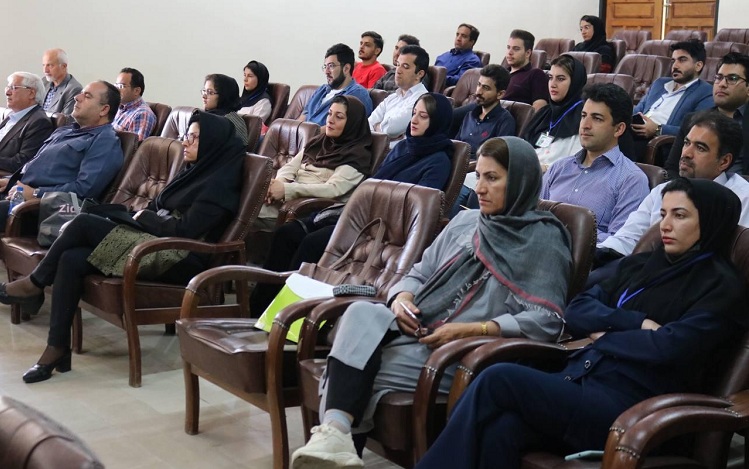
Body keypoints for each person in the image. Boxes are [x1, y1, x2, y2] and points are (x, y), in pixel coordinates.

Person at [414, 177, 748, 469]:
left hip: (635, 409)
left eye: (680, 215)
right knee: (502, 429)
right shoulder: (642, 265)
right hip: (582, 381)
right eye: (663, 214)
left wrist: (603, 334)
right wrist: (636, 322)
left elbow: (670, 347)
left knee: (497, 378)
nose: (665, 225)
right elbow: (577, 309)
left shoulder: (722, 288)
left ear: (710, 221)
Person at [290, 136, 573, 468]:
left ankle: (335, 438)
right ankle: (336, 440)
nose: (480, 188)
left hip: (466, 352)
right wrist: (402, 298)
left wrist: (471, 330)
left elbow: (546, 320)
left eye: (492, 178)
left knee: (352, 366)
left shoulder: (545, 240)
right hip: (420, 329)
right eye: (479, 176)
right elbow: (419, 273)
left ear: (521, 183)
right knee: (360, 312)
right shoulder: (466, 222)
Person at [1, 110, 246, 384]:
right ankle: (56, 348)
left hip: (181, 256)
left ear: (213, 143)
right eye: (186, 135)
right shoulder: (192, 173)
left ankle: (34, 284)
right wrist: (140, 217)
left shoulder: (219, 186)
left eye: (194, 137)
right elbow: (158, 207)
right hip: (155, 243)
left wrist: (144, 218)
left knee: (82, 223)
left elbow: (185, 231)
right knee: (71, 258)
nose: (185, 142)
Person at [250, 93, 455, 314]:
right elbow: (374, 184)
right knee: (288, 233)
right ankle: (259, 308)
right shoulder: (402, 148)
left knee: (311, 243)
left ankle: (286, 313)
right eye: (414, 113)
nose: (414, 120)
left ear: (437, 121)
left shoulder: (439, 161)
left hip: (384, 227)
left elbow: (419, 207)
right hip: (363, 215)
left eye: (423, 116)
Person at [597, 111, 749, 265]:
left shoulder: (743, 198)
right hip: (646, 272)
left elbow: (737, 260)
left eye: (700, 148)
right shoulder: (663, 190)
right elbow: (628, 238)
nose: (686, 153)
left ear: (724, 161)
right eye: (686, 143)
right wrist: (595, 256)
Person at [0, 81, 124, 227]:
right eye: (81, 93)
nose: (77, 97)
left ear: (103, 110)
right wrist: (11, 181)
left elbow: (84, 190)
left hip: (41, 209)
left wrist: (35, 193)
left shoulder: (104, 141)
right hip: (17, 192)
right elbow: (35, 164)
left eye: (87, 96)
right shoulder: (65, 131)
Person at [542, 83, 649, 242]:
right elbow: (531, 214)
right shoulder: (559, 167)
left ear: (618, 129)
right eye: (583, 116)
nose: (585, 125)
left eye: (597, 118)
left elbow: (619, 243)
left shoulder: (631, 179)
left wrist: (570, 232)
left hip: (584, 256)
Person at [255, 95, 372, 231]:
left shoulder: (356, 155)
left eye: (339, 117)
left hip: (306, 209)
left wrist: (287, 189)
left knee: (243, 211)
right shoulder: (319, 142)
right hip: (284, 199)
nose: (330, 120)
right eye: (329, 114)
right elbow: (290, 167)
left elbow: (333, 190)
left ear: (353, 123)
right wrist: (278, 184)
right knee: (242, 201)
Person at [664, 52, 749, 176]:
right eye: (718, 78)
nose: (722, 84)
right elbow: (672, 168)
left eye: (732, 79)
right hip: (689, 185)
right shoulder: (692, 120)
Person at [450, 64, 515, 216]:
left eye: (486, 88)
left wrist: (467, 167)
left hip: (479, 173)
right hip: (458, 167)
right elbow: (457, 147)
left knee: (459, 187)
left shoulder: (505, 121)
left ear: (500, 94)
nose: (478, 91)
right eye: (479, 85)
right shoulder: (469, 115)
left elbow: (498, 159)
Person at [632, 40, 713, 141]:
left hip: (659, 142)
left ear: (698, 66)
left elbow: (696, 130)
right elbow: (637, 111)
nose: (675, 66)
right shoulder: (660, 83)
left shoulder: (705, 92)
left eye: (682, 60)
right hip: (635, 132)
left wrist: (658, 129)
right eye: (673, 61)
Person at [523, 54, 587, 172]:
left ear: (575, 82)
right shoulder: (544, 113)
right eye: (550, 77)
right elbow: (522, 147)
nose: (553, 84)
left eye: (560, 79)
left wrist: (544, 168)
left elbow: (576, 164)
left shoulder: (583, 117)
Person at [368, 45, 429, 147]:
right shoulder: (392, 97)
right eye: (398, 64)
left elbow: (391, 129)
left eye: (405, 67)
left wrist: (378, 127)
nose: (398, 70)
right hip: (375, 148)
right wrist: (384, 132)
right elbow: (368, 124)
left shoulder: (422, 99)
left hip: (397, 152)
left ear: (419, 74)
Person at [301, 44, 373, 126]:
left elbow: (343, 128)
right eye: (325, 66)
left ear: (346, 69)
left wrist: (311, 132)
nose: (326, 72)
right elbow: (304, 115)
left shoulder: (357, 95)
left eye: (331, 66)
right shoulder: (322, 90)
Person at [0, 72, 54, 173]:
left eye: (14, 88)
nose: (7, 92)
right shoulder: (12, 115)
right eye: (8, 87)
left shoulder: (39, 122)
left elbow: (23, 162)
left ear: (31, 93)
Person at [504, 30, 549, 111]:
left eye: (516, 49)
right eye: (508, 47)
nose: (510, 52)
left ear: (528, 53)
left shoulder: (536, 74)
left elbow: (539, 107)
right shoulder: (501, 73)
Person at [201, 73, 249, 146]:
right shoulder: (206, 116)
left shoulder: (233, 120)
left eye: (210, 92)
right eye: (204, 91)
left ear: (224, 96)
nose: (204, 96)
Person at [112, 67, 157, 141]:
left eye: (121, 86)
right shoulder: (119, 107)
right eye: (116, 85)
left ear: (136, 91)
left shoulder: (142, 114)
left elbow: (134, 145)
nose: (117, 89)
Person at [41, 48, 82, 115]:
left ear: (63, 66)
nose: (45, 70)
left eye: (50, 65)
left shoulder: (74, 89)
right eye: (43, 65)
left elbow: (65, 119)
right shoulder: (44, 82)